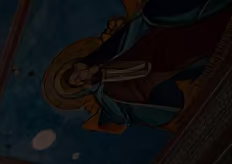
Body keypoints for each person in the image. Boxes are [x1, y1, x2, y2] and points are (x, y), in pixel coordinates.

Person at [47, 0, 232, 129]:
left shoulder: (102, 54)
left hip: (155, 38)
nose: (80, 77)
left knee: (159, 12)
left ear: (77, 65)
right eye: (78, 82)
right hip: (162, 62)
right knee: (195, 42)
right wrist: (105, 74)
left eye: (75, 73)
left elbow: (128, 35)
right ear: (83, 88)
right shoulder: (108, 94)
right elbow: (140, 76)